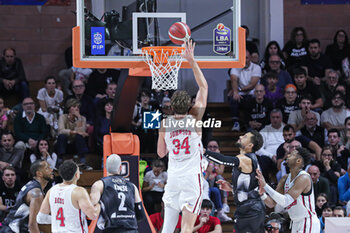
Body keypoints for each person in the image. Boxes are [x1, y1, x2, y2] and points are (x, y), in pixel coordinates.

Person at [157, 40, 208, 233]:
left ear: (171, 106)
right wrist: (191, 61)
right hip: (191, 179)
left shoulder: (164, 124)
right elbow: (203, 88)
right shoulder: (194, 118)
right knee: (187, 228)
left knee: (167, 228)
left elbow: (161, 153)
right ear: (189, 105)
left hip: (174, 177)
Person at [203, 131, 265, 233]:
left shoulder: (246, 159)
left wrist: (204, 152)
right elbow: (250, 186)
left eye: (245, 137)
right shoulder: (248, 159)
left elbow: (222, 160)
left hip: (251, 210)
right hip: (248, 209)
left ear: (250, 145)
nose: (240, 136)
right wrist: (232, 188)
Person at [256, 147, 320, 233]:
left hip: (307, 222)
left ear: (298, 161)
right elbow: (272, 203)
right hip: (295, 222)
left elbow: (286, 201)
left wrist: (265, 185)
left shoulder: (304, 178)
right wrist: (262, 194)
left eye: (292, 154)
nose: (288, 155)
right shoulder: (285, 178)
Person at [37, 160, 99, 232]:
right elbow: (93, 215)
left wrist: (59, 219)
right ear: (76, 175)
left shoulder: (52, 191)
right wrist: (99, 205)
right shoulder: (79, 192)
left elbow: (41, 218)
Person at [90, 154, 146, 232]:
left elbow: (90, 210)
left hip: (111, 230)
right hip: (131, 230)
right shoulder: (132, 186)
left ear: (105, 166)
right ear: (120, 167)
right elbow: (141, 215)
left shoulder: (100, 184)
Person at [0, 160, 53, 233]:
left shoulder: (32, 185)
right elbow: (32, 225)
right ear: (39, 173)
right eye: (47, 168)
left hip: (10, 227)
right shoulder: (36, 193)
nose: (51, 170)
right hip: (11, 230)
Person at [228, 49, 261, 131]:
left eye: (246, 58)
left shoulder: (256, 67)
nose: (245, 60)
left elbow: (252, 85)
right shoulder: (235, 67)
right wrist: (235, 92)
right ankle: (236, 123)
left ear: (250, 58)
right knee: (233, 98)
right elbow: (234, 80)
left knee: (249, 100)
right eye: (243, 58)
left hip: (253, 94)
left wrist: (237, 90)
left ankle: (248, 124)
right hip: (241, 94)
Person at [56, 98, 89, 165]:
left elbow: (82, 132)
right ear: (69, 108)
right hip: (64, 144)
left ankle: (82, 160)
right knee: (62, 136)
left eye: (78, 107)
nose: (76, 109)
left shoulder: (82, 118)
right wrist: (74, 132)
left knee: (79, 137)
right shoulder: (63, 117)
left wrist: (79, 118)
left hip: (76, 145)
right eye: (74, 107)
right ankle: (60, 160)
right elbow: (61, 131)